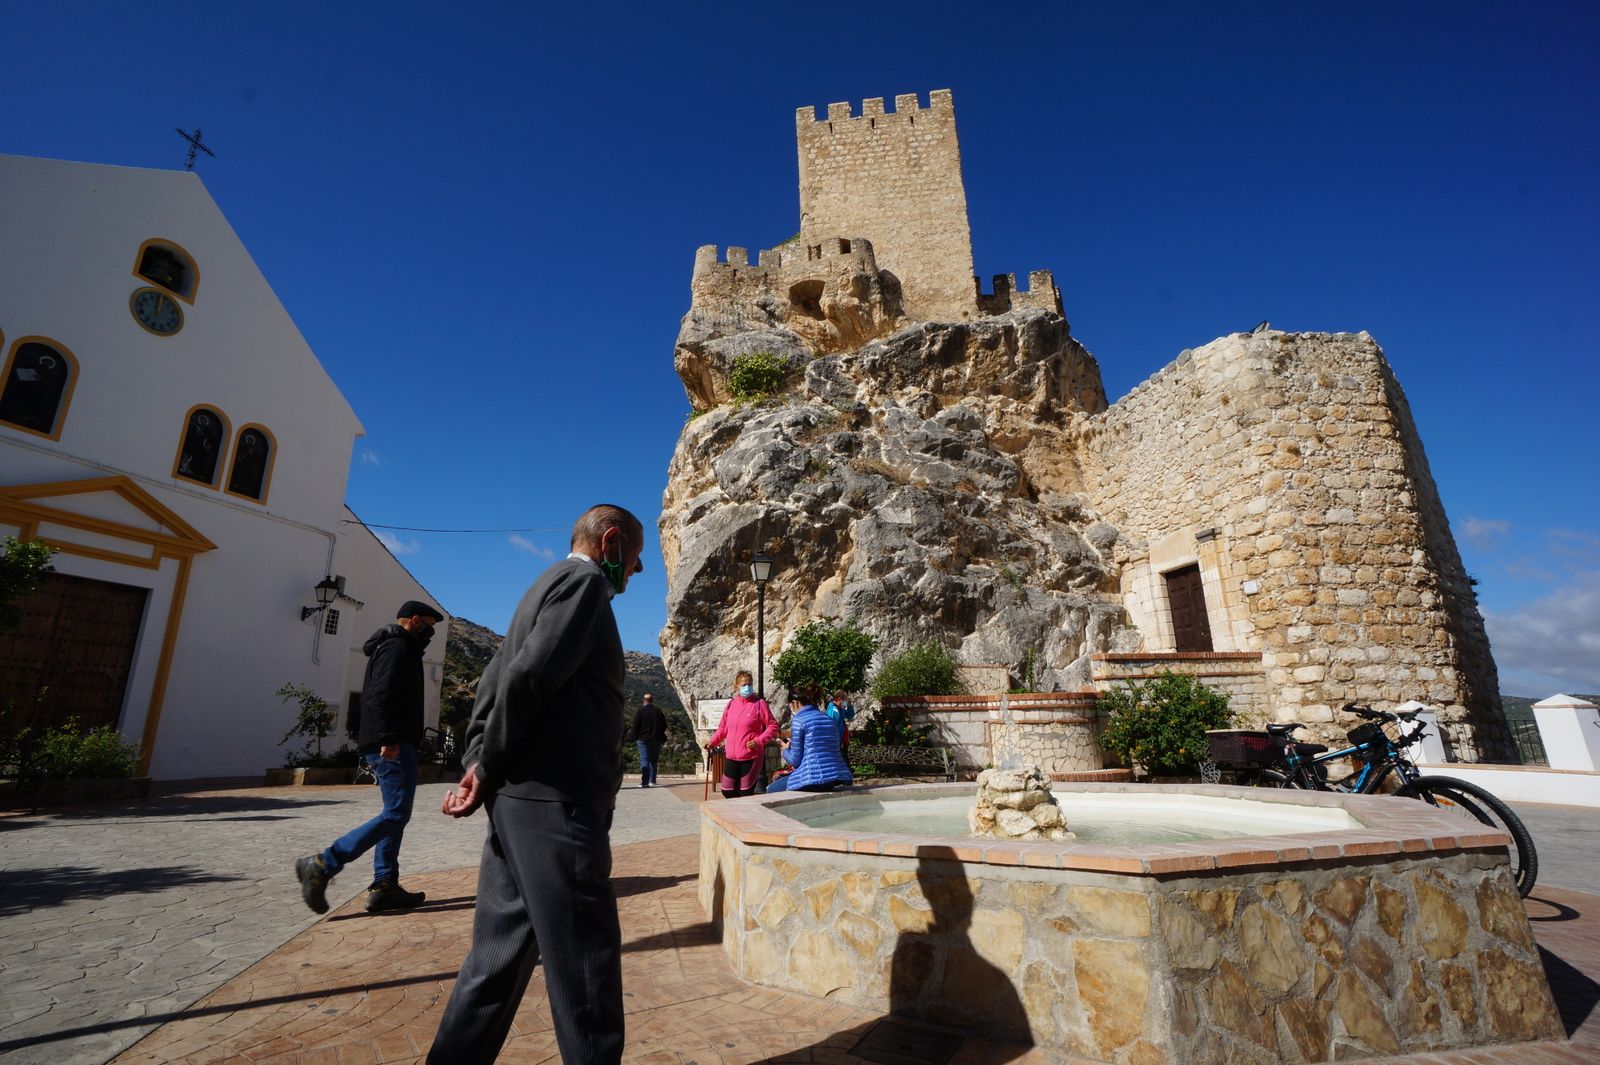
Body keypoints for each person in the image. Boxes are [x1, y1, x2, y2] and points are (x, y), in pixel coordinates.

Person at [425, 504, 644, 1065]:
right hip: (558, 811)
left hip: (518, 806)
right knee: (586, 976)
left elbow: (493, 682)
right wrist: (488, 764)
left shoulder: (540, 585)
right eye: (637, 556)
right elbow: (526, 677)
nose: (638, 570)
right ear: (611, 542)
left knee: (492, 966)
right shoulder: (585, 584)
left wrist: (478, 762)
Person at [295, 599, 444, 915]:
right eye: (429, 625)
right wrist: (389, 738)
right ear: (414, 620)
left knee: (395, 813)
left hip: (396, 741)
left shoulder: (399, 646)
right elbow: (380, 694)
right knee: (395, 815)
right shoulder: (397, 648)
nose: (430, 632)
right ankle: (323, 864)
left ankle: (385, 885)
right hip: (392, 743)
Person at [766, 683, 853, 793]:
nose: (791, 708)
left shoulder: (799, 720)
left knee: (771, 790)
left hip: (812, 777)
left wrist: (785, 748)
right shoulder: (828, 719)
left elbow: (795, 760)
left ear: (795, 703)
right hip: (834, 777)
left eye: (790, 705)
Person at [704, 670, 777, 799]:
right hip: (732, 756)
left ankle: (745, 818)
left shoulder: (760, 704)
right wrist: (713, 741)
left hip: (751, 755)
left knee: (745, 793)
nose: (747, 687)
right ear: (736, 686)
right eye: (743, 684)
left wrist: (758, 741)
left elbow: (773, 726)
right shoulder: (731, 704)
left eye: (750, 684)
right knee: (727, 791)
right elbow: (723, 727)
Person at [629, 693, 666, 788]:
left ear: (643, 700)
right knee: (654, 760)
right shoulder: (658, 711)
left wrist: (633, 737)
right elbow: (664, 725)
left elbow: (635, 725)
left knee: (644, 759)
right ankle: (652, 780)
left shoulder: (640, 711)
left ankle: (644, 782)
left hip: (642, 739)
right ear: (652, 700)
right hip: (656, 739)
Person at [826, 689, 857, 755]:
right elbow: (832, 728)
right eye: (845, 699)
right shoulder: (834, 710)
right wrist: (839, 742)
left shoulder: (840, 708)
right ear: (840, 699)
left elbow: (849, 716)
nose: (846, 701)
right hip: (837, 743)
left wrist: (849, 705)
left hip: (842, 741)